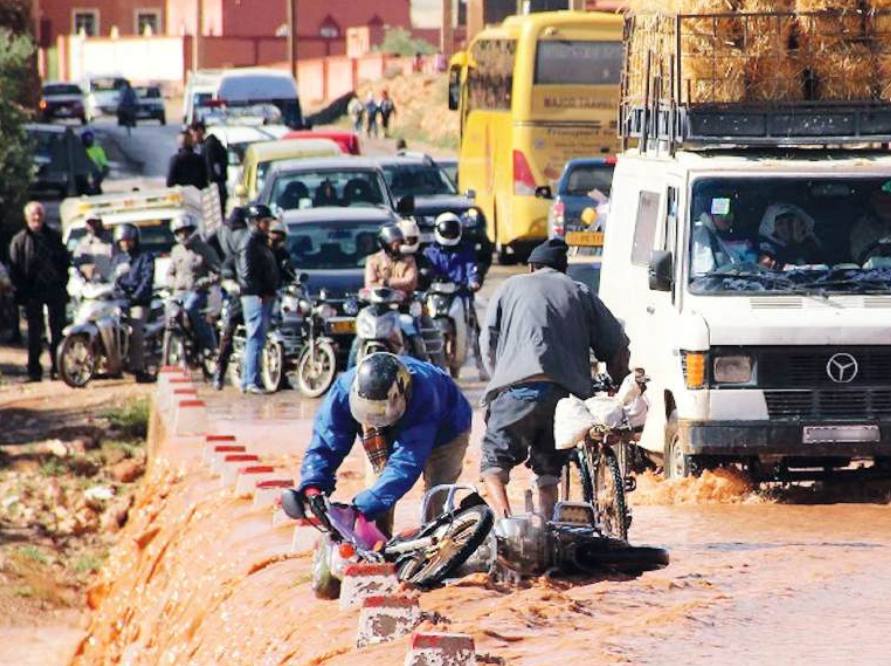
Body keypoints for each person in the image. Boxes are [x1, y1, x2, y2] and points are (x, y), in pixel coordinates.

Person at [480, 238, 630, 520]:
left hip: (515, 393)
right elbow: (617, 345)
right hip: (565, 398)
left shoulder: (508, 287)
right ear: (563, 270)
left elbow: (488, 343)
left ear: (532, 267)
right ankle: (547, 524)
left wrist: (499, 380)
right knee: (550, 468)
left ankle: (505, 522)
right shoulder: (580, 292)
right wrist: (619, 383)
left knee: (493, 463)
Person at [298, 352, 472, 536]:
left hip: (448, 429)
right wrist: (313, 485)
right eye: (372, 411)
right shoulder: (343, 390)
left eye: (380, 411)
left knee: (437, 498)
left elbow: (405, 464)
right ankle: (378, 545)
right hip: (384, 427)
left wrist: (360, 508)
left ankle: (437, 547)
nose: (376, 416)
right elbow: (327, 441)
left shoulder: (424, 393)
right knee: (377, 489)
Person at [7, 202, 70, 381]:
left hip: (54, 291)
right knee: (34, 334)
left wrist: (62, 283)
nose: (37, 218)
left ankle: (58, 369)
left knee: (57, 331)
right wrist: (22, 291)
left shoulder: (54, 237)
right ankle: (34, 371)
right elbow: (14, 269)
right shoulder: (19, 240)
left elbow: (65, 262)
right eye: (33, 215)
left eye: (39, 214)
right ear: (27, 217)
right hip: (31, 293)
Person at [235, 204, 280, 394]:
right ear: (255, 222)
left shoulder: (260, 241)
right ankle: (251, 381)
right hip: (255, 297)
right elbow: (247, 274)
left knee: (259, 339)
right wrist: (262, 292)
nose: (268, 225)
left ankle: (251, 379)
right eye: (265, 222)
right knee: (254, 337)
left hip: (263, 295)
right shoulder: (250, 242)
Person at [167, 215, 221, 357]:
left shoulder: (205, 249)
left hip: (198, 292)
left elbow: (217, 272)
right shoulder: (176, 251)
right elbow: (169, 273)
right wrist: (172, 283)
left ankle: (207, 344)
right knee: (170, 311)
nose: (183, 235)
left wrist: (204, 281)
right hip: (179, 293)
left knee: (190, 308)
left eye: (186, 231)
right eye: (180, 232)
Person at [109, 223, 155, 383]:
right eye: (122, 241)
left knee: (135, 330)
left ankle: (137, 368)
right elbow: (111, 280)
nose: (125, 244)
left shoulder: (145, 257)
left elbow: (147, 280)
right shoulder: (117, 259)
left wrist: (135, 297)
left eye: (128, 240)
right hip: (119, 302)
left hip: (139, 302)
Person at [212, 207, 249, 390]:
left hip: (260, 298)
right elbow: (225, 271)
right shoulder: (232, 255)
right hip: (238, 299)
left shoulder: (255, 246)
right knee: (227, 334)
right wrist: (232, 284)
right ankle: (219, 373)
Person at [690, 192, 757, 276]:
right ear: (709, 214)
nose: (726, 216)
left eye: (730, 211)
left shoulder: (740, 239)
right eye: (720, 212)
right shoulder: (699, 235)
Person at [423, 213, 481, 292]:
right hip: (436, 292)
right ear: (438, 230)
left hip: (461, 292)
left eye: (452, 232)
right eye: (446, 232)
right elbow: (426, 270)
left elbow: (471, 268)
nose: (449, 235)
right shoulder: (430, 252)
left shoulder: (466, 250)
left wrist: (473, 282)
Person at [757, 203, 822, 270]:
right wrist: (794, 247)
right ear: (773, 229)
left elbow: (822, 266)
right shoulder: (767, 250)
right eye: (780, 223)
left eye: (790, 221)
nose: (787, 227)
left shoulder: (810, 245)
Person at [190, 120, 229, 214]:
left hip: (215, 189)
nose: (193, 139)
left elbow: (212, 169)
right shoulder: (212, 143)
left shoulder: (210, 146)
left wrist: (211, 184)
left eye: (193, 135)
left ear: (199, 130)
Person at [850, 186, 891, 266]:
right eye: (882, 202)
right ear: (873, 203)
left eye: (890, 202)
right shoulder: (863, 226)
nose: (887, 206)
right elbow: (859, 255)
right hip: (873, 274)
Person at [73, 216, 115, 283]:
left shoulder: (112, 240)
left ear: (100, 222)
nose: (92, 226)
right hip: (88, 284)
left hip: (109, 281)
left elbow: (117, 260)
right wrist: (86, 268)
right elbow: (77, 262)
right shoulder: (83, 243)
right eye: (89, 223)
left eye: (94, 222)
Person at [268, 219, 296, 285]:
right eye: (273, 233)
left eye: (279, 235)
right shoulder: (258, 252)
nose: (276, 236)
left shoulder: (283, 254)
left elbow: (289, 274)